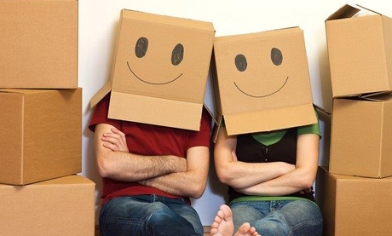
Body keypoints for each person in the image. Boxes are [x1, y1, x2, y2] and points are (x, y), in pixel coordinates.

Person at [89, 93, 212, 236]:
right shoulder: (114, 99)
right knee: (157, 214)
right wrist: (172, 163)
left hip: (178, 207)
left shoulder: (196, 112)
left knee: (180, 224)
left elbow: (195, 185)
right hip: (123, 202)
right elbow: (108, 165)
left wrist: (130, 164)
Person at [212, 112, 323, 236]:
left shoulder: (305, 110)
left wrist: (244, 187)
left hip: (297, 202)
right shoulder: (231, 110)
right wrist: (283, 167)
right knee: (245, 227)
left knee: (270, 227)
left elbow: (305, 178)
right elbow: (225, 172)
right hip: (244, 204)